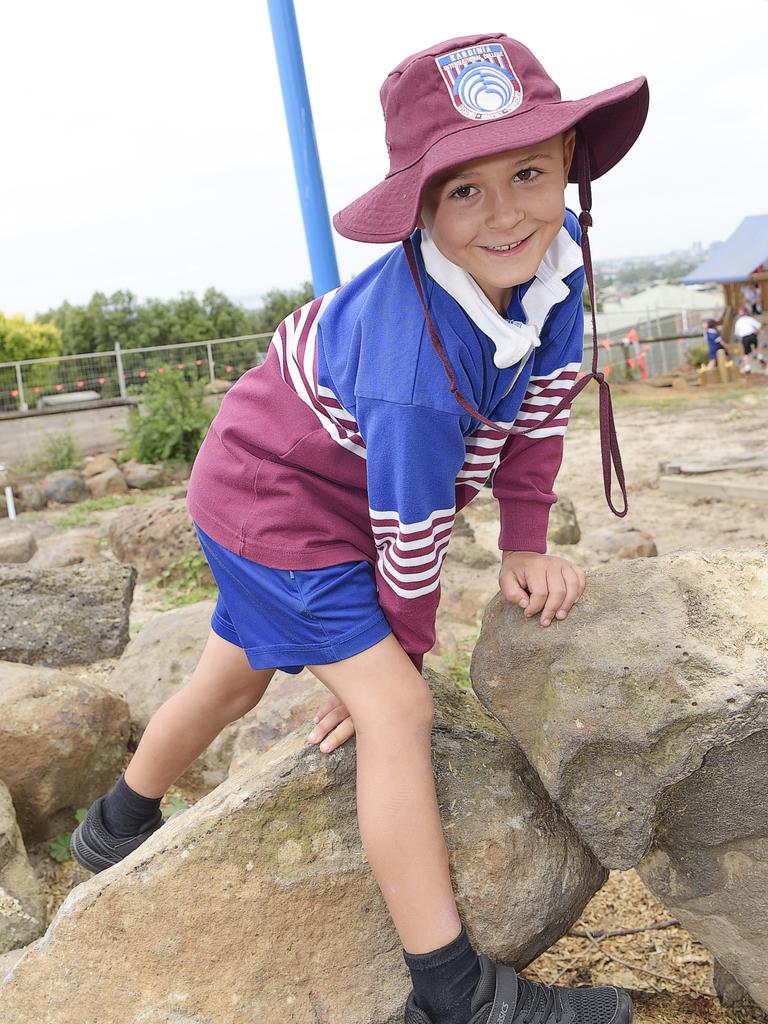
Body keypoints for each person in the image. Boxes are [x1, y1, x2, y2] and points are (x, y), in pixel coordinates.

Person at [71, 33, 648, 1024]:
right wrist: (396, 658)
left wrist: (523, 537)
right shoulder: (413, 363)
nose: (507, 211)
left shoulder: (558, 262)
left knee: (235, 670)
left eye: (528, 172)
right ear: (421, 208)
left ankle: (114, 825)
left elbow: (545, 402)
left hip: (329, 484)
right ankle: (455, 994)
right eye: (464, 190)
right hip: (276, 500)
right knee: (395, 713)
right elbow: (410, 524)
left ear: (570, 171)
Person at [734, 305, 765, 374]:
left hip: (745, 338)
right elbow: (759, 325)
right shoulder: (749, 318)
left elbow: (737, 333)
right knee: (757, 347)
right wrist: (757, 330)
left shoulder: (738, 322)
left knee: (746, 353)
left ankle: (747, 368)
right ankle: (760, 358)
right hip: (752, 335)